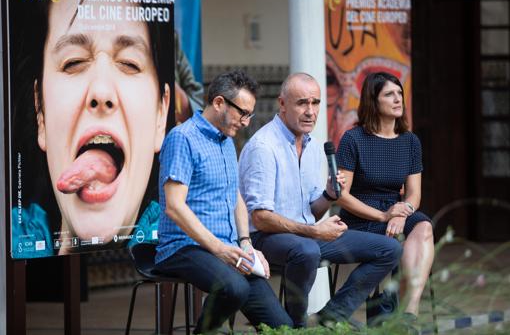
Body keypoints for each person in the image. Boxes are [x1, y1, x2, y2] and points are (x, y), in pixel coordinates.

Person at [10, 0, 173, 257]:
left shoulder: (180, 236)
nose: (101, 92)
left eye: (130, 64)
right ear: (41, 115)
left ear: (160, 116)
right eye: (73, 62)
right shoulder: (11, 236)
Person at [239, 72, 402, 328]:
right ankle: (297, 325)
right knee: (307, 250)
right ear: (282, 104)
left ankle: (333, 314)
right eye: (302, 103)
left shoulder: (313, 145)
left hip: (305, 236)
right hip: (265, 238)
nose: (310, 111)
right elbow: (260, 218)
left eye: (315, 103)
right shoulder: (263, 146)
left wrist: (328, 195)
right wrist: (314, 231)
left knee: (388, 249)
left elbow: (311, 212)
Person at [155, 70, 293, 334]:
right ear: (219, 103)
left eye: (249, 115)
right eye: (243, 113)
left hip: (227, 249)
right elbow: (174, 206)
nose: (246, 122)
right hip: (184, 247)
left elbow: (236, 196)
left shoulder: (226, 140)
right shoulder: (182, 138)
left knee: (281, 326)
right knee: (233, 288)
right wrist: (218, 248)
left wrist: (246, 243)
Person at [335, 71, 434, 325]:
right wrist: (384, 215)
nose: (398, 99)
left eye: (400, 93)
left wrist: (404, 210)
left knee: (423, 227)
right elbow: (341, 196)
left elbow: (414, 193)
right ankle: (389, 314)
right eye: (389, 94)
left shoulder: (410, 141)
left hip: (398, 211)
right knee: (396, 237)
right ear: (373, 100)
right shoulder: (353, 139)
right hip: (361, 216)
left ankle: (408, 314)